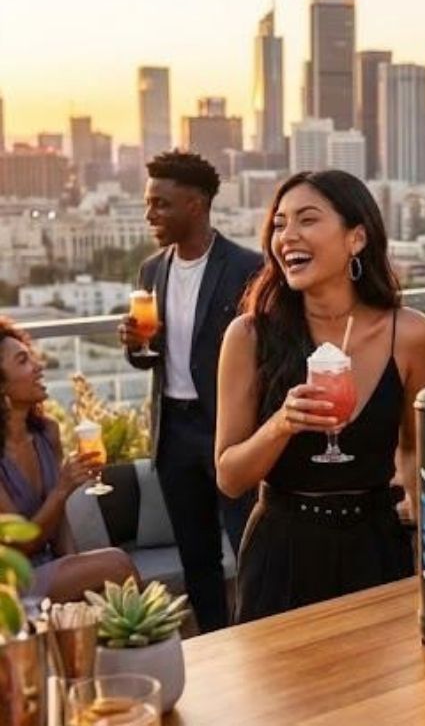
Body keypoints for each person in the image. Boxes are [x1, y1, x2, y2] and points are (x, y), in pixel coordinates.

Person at [216, 169, 425, 623]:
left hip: (377, 547)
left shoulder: (411, 334)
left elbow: (417, 452)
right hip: (282, 550)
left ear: (356, 238)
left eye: (307, 220)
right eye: (279, 224)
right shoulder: (249, 335)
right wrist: (281, 424)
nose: (287, 236)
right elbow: (230, 477)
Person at [118, 150, 262, 632]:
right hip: (173, 432)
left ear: (196, 205)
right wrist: (135, 348)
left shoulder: (247, 268)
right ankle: (218, 641)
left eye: (161, 204)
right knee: (196, 555)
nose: (150, 214)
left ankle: (260, 636)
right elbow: (151, 356)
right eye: (148, 203)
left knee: (248, 544)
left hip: (229, 426)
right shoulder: (150, 272)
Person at [0, 318, 137, 602]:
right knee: (117, 564)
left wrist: (76, 568)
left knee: (102, 588)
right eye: (23, 361)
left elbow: (59, 523)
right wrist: (62, 489)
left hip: (47, 568)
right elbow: (17, 546)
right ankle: (151, 645)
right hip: (10, 581)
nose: (39, 367)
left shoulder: (47, 433)